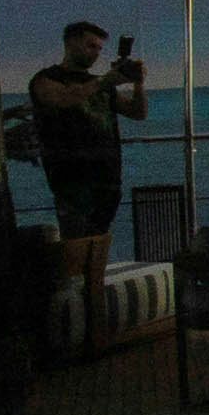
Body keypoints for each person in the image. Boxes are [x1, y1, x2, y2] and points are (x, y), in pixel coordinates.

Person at [29, 23, 128, 297]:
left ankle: (92, 309)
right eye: (90, 45)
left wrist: (139, 84)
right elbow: (63, 98)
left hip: (107, 180)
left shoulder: (100, 85)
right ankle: (74, 310)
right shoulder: (46, 79)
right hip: (71, 180)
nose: (95, 53)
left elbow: (137, 111)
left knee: (97, 249)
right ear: (71, 43)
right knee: (75, 252)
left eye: (99, 48)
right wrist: (104, 81)